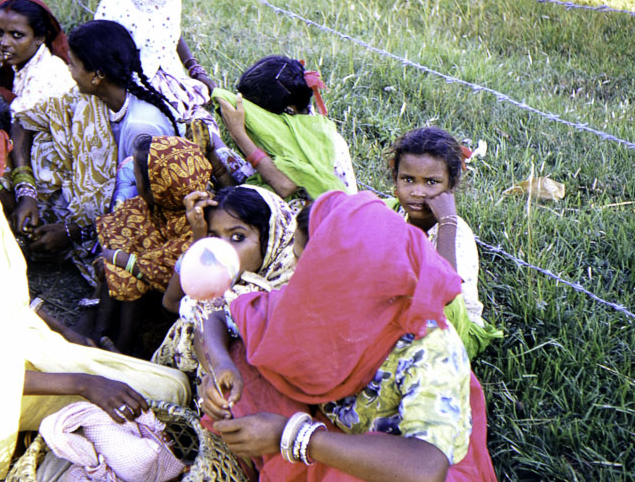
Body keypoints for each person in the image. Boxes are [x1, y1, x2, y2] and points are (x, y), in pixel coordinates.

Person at [0, 84, 190, 482]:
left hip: (11, 344)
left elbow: (5, 303)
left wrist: (64, 333)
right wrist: (86, 384)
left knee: (161, 385)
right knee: (171, 390)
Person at [197, 190, 497, 482]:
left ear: (343, 272)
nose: (295, 274)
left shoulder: (428, 346)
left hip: (395, 463)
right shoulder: (316, 304)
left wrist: (290, 435)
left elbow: (426, 470)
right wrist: (220, 365)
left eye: (304, 264)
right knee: (243, 357)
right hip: (338, 438)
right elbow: (218, 319)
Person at [11, 19, 178, 282]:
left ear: (96, 76)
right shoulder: (92, 98)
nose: (69, 71)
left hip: (138, 222)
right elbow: (22, 122)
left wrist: (72, 233)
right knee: (47, 138)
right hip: (97, 210)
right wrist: (26, 192)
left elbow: (141, 210)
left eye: (72, 64)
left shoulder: (141, 128)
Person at [94, 0, 251, 182]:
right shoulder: (113, 6)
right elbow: (103, 61)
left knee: (209, 135)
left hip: (176, 82)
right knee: (155, 140)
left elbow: (172, 33)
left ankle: (228, 182)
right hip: (138, 89)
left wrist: (196, 70)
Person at [153, 184, 297, 372]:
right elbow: (171, 302)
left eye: (238, 237)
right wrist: (199, 240)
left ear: (273, 239)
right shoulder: (220, 280)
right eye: (214, 238)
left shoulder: (281, 296)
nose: (221, 250)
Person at [389, 126, 502, 358]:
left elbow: (444, 296)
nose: (417, 192)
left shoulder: (456, 233)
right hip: (404, 309)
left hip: (451, 327)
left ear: (450, 185)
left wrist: (447, 223)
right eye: (408, 180)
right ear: (395, 178)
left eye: (431, 182)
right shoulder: (391, 213)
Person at [93, 135, 212, 354]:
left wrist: (117, 258)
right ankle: (97, 329)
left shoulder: (198, 228)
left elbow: (166, 275)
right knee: (128, 225)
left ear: (156, 189)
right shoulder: (151, 208)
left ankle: (121, 346)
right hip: (146, 285)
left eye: (137, 176)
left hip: (166, 314)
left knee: (123, 273)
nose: (135, 182)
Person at [213, 55, 357, 200]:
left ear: (289, 110)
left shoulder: (305, 140)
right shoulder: (295, 127)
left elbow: (284, 187)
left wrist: (239, 134)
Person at [0, 0, 75, 114]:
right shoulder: (19, 63)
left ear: (40, 37)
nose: (4, 43)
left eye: (17, 35)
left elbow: (9, 122)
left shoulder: (47, 76)